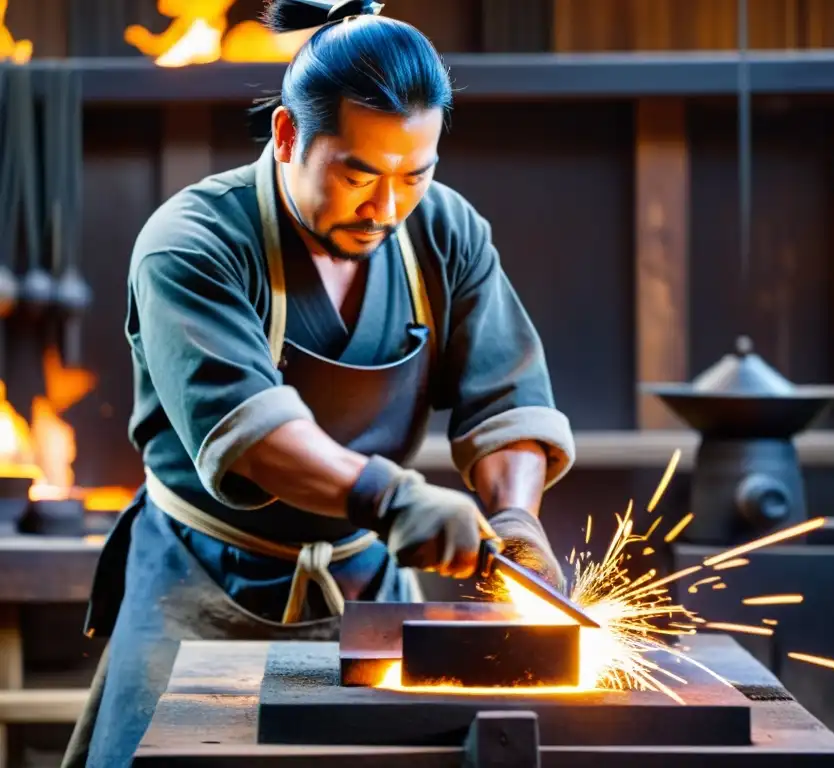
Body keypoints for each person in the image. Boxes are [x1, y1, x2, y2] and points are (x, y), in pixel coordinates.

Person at [61, 1, 575, 765]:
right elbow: (257, 438)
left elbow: (507, 401)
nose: (387, 208)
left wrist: (517, 518)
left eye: (414, 176)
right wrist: (393, 498)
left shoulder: (444, 231)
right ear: (287, 135)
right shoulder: (192, 244)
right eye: (358, 174)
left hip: (367, 590)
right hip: (199, 587)